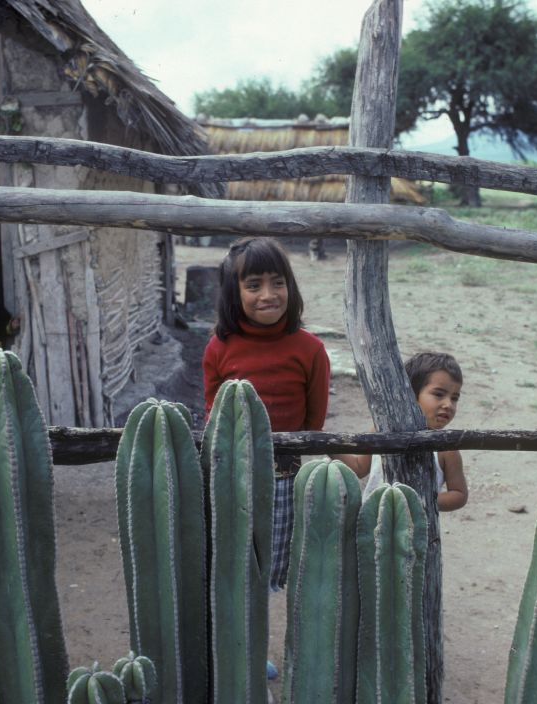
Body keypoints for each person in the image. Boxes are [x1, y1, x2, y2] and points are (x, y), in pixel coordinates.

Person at [201, 236, 330, 680]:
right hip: (232, 479)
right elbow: (213, 417)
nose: (268, 295)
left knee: (267, 575)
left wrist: (296, 464)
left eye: (278, 282)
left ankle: (260, 651)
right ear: (233, 293)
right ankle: (237, 652)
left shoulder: (309, 348)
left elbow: (315, 420)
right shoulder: (220, 348)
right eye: (253, 284)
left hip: (283, 480)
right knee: (232, 568)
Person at [341, 351, 469, 511]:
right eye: (439, 394)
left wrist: (422, 501)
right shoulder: (382, 430)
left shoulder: (446, 447)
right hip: (372, 524)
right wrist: (328, 444)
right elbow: (359, 468)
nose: (448, 404)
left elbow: (459, 494)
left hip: (420, 531)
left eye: (454, 398)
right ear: (410, 394)